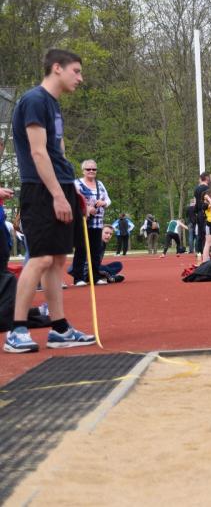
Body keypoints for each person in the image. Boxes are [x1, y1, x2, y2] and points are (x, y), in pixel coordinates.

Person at [5, 48, 96, 352]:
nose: (80, 78)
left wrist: (72, 189)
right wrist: (57, 194)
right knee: (41, 257)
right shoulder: (34, 100)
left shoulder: (53, 104)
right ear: (57, 68)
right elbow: (38, 152)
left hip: (60, 185)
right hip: (40, 188)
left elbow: (57, 153)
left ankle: (59, 329)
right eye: (76, 71)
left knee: (57, 260)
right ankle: (16, 331)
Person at [71, 159, 111, 286]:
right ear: (83, 171)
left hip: (97, 223)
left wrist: (103, 203)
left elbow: (108, 200)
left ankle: (94, 276)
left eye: (94, 169)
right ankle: (78, 278)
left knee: (95, 251)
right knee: (81, 250)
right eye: (88, 169)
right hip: (82, 222)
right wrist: (86, 208)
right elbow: (72, 200)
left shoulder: (100, 184)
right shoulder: (77, 184)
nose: (91, 171)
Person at [193, 172, 211, 257]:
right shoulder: (207, 188)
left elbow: (196, 203)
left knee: (200, 234)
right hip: (206, 212)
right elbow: (208, 201)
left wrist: (196, 212)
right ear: (207, 178)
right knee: (207, 233)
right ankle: (206, 252)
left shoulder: (196, 189)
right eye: (210, 177)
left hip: (199, 213)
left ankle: (199, 252)